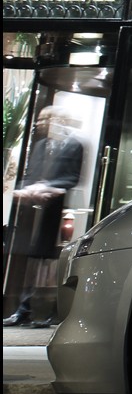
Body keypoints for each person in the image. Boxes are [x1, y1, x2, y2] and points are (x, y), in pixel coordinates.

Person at [3, 107, 86, 327]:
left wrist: (48, 188)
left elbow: (72, 179)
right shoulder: (40, 146)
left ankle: (46, 312)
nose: (39, 124)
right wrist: (26, 189)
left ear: (57, 120)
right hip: (32, 211)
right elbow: (31, 175)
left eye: (43, 119)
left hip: (56, 213)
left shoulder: (74, 145)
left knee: (49, 264)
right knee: (31, 263)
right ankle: (23, 310)